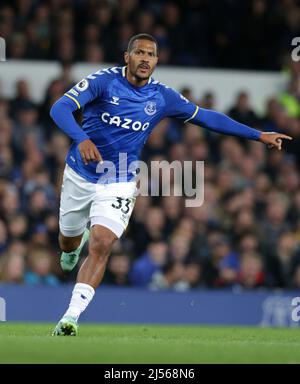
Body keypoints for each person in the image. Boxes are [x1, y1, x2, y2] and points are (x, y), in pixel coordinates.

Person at [50, 33, 292, 336]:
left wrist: (259, 135)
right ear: (127, 57)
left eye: (150, 54)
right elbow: (59, 108)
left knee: (102, 242)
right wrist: (82, 138)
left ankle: (70, 317)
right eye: (138, 52)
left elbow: (207, 118)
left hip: (120, 179)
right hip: (80, 175)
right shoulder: (103, 81)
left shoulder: (162, 97)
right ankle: (72, 244)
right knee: (68, 242)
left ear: (156, 61)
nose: (144, 59)